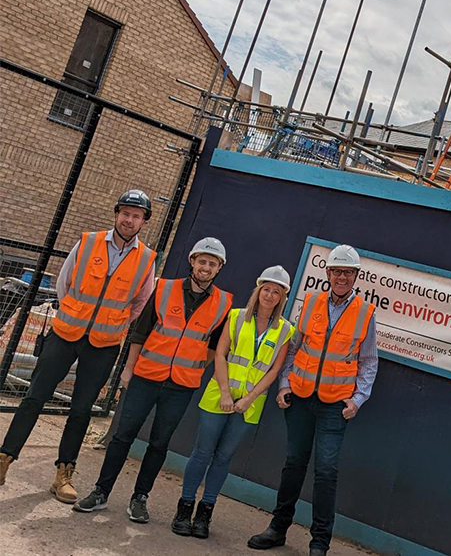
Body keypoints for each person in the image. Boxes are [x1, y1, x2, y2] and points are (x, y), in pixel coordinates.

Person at [0, 190, 157, 503]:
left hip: (104, 344)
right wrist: (77, 314)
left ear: (143, 222)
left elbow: (140, 302)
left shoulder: (146, 259)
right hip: (65, 333)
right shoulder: (88, 242)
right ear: (116, 214)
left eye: (136, 215)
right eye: (125, 213)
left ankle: (63, 476)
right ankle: (4, 459)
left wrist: (112, 323)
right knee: (34, 398)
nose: (129, 219)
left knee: (81, 410)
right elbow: (64, 282)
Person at [72, 237, 233, 524]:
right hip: (146, 377)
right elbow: (140, 332)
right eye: (202, 261)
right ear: (192, 261)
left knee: (160, 443)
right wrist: (128, 369)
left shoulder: (224, 304)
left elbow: (215, 348)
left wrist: (191, 364)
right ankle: (101, 491)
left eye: (212, 263)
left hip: (181, 385)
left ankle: (140, 498)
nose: (206, 267)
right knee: (122, 436)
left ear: (219, 268)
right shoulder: (164, 288)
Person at [248, 245, 378, 556]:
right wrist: (284, 384)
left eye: (347, 272)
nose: (341, 277)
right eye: (336, 271)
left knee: (326, 472)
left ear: (356, 276)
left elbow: (369, 361)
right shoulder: (311, 302)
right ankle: (278, 528)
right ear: (328, 273)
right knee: (294, 464)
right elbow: (294, 349)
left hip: (336, 405)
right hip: (301, 399)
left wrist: (358, 399)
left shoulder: (365, 313)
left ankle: (319, 543)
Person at [171, 266, 296, 539]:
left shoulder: (286, 330)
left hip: (249, 404)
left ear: (282, 297)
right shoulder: (237, 316)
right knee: (202, 452)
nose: (270, 295)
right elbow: (220, 355)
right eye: (267, 289)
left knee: (224, 457)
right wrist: (226, 393)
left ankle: (205, 512)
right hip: (220, 396)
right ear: (258, 290)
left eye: (277, 292)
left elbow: (274, 371)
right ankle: (185, 507)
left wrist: (248, 399)